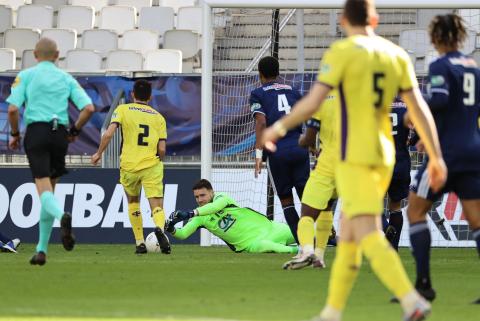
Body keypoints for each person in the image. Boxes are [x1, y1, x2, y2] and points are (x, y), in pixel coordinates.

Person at [261, 1, 447, 320]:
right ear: (375, 18)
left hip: (354, 154)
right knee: (347, 234)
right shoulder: (397, 55)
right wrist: (436, 155)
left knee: (366, 232)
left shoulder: (341, 52)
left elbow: (313, 103)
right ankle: (332, 311)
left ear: (343, 20)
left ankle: (411, 300)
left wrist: (277, 128)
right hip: (384, 154)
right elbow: (419, 110)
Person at [407, 14, 480, 303]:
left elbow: (438, 99)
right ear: (460, 36)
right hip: (472, 151)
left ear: (436, 37)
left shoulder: (439, 65)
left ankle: (423, 284)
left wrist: (413, 106)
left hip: (445, 154)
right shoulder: (474, 67)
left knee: (415, 211)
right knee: (476, 222)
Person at [7, 38, 95, 266]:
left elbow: (13, 109)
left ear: (35, 54)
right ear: (57, 55)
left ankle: (62, 216)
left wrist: (15, 134)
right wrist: (75, 130)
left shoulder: (26, 76)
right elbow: (88, 108)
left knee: (43, 189)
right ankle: (41, 250)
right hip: (59, 135)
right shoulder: (66, 78)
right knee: (49, 191)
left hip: (37, 132)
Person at [91, 79, 171, 255]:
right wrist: (159, 159)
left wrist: (98, 154)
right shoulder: (159, 117)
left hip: (128, 166)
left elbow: (109, 133)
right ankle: (159, 229)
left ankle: (140, 242)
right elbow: (162, 148)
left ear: (133, 94)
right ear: (150, 97)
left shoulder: (122, 110)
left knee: (133, 202)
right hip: (151, 165)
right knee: (156, 205)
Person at [251, 56, 310, 242]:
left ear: (260, 74)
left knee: (286, 201)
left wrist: (258, 154)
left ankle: (304, 245)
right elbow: (308, 119)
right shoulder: (293, 91)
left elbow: (261, 122)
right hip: (299, 147)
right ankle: (326, 232)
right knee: (307, 199)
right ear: (278, 72)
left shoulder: (258, 93)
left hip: (277, 151)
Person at [283, 93, 339, 270]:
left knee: (307, 212)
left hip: (328, 163)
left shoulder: (322, 100)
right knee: (328, 206)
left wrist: (305, 142)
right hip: (353, 165)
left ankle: (307, 251)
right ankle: (320, 257)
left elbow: (308, 137)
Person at [166, 179, 298, 254]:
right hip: (252, 244)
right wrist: (171, 228)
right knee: (273, 248)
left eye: (203, 195)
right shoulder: (200, 218)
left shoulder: (222, 198)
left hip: (272, 228)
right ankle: (300, 252)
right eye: (196, 197)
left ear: (212, 192)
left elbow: (215, 207)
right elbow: (183, 234)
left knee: (306, 235)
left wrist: (190, 213)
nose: (200, 200)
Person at [382, 97, 412, 251]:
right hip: (400, 161)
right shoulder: (406, 105)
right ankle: (393, 248)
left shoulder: (375, 103)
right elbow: (421, 128)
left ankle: (385, 227)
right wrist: (412, 141)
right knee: (395, 205)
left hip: (378, 162)